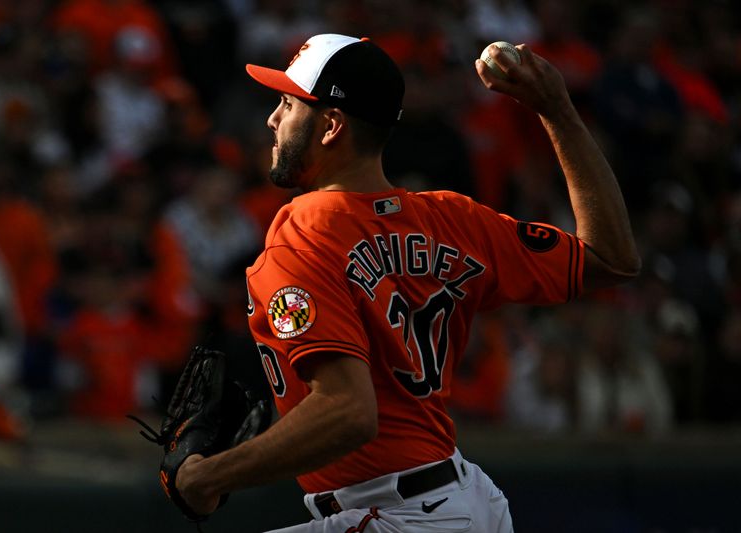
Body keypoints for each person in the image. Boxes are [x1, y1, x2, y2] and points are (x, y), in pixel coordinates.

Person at [175, 33, 640, 532]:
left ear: (330, 126)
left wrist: (206, 478)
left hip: (397, 514)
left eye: (288, 104)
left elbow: (349, 413)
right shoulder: (451, 218)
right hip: (461, 501)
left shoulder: (306, 232)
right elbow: (610, 258)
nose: (272, 118)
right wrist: (558, 111)